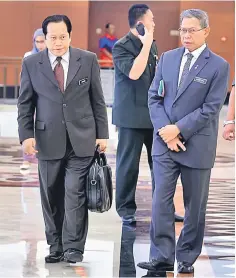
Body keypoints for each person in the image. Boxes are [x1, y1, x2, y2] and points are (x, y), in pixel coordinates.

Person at [138, 9, 229, 274]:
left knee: (194, 205)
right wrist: (166, 130)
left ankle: (187, 255)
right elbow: (154, 97)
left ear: (206, 31)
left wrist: (178, 129)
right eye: (183, 30)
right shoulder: (167, 58)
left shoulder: (219, 66)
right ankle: (161, 256)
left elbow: (211, 108)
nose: (186, 35)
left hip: (196, 145)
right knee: (160, 201)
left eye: (192, 30)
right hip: (164, 143)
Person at [17, 14, 108, 264]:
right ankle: (55, 245)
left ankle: (73, 248)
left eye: (63, 37)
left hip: (82, 138)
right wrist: (26, 136)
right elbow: (25, 103)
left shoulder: (87, 60)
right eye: (52, 37)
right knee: (51, 195)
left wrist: (102, 133)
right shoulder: (32, 63)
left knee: (74, 192)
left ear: (70, 35)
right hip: (47, 139)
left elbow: (97, 100)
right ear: (44, 38)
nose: (58, 42)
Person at [112, 4, 183, 225]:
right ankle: (126, 210)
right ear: (140, 23)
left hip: (155, 116)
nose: (154, 23)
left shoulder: (152, 45)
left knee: (162, 165)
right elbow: (134, 73)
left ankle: (164, 209)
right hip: (130, 118)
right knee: (128, 165)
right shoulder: (121, 46)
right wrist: (145, 44)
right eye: (151, 19)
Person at [20, 28, 46, 172]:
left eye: (42, 41)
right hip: (32, 97)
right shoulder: (29, 56)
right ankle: (27, 160)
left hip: (47, 99)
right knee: (29, 129)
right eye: (37, 42)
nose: (40, 45)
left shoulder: (52, 57)